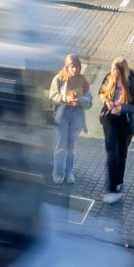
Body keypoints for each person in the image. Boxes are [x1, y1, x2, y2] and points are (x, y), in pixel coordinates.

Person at [98, 58, 134, 203]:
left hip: (125, 121)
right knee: (112, 152)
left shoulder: (132, 82)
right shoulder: (109, 77)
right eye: (111, 69)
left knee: (122, 153)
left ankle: (118, 184)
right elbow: (101, 92)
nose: (112, 72)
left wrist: (122, 109)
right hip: (110, 118)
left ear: (122, 71)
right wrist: (107, 102)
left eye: (115, 70)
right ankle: (112, 188)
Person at [47, 55, 91, 184]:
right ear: (67, 66)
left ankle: (69, 172)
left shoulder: (83, 80)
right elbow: (52, 95)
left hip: (77, 114)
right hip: (63, 113)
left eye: (77, 67)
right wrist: (65, 98)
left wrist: (80, 100)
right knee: (61, 146)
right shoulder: (59, 78)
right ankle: (58, 172)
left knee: (71, 147)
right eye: (72, 67)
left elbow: (89, 102)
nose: (75, 70)